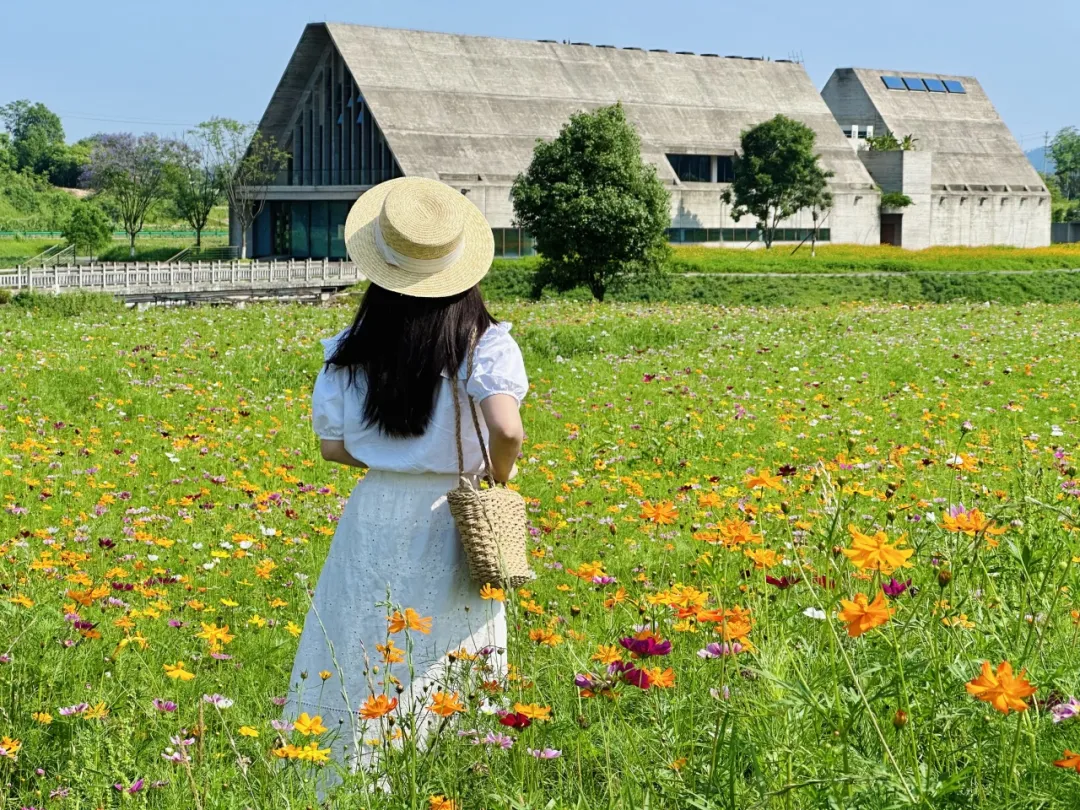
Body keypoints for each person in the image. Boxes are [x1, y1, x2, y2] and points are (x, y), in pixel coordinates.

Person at [284, 177, 528, 778]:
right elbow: (509, 430)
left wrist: (393, 465)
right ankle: (448, 768)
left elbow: (332, 448)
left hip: (376, 511)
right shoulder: (483, 344)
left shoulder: (349, 349)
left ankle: (342, 767)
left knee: (362, 632)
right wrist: (497, 476)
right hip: (454, 513)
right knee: (449, 644)